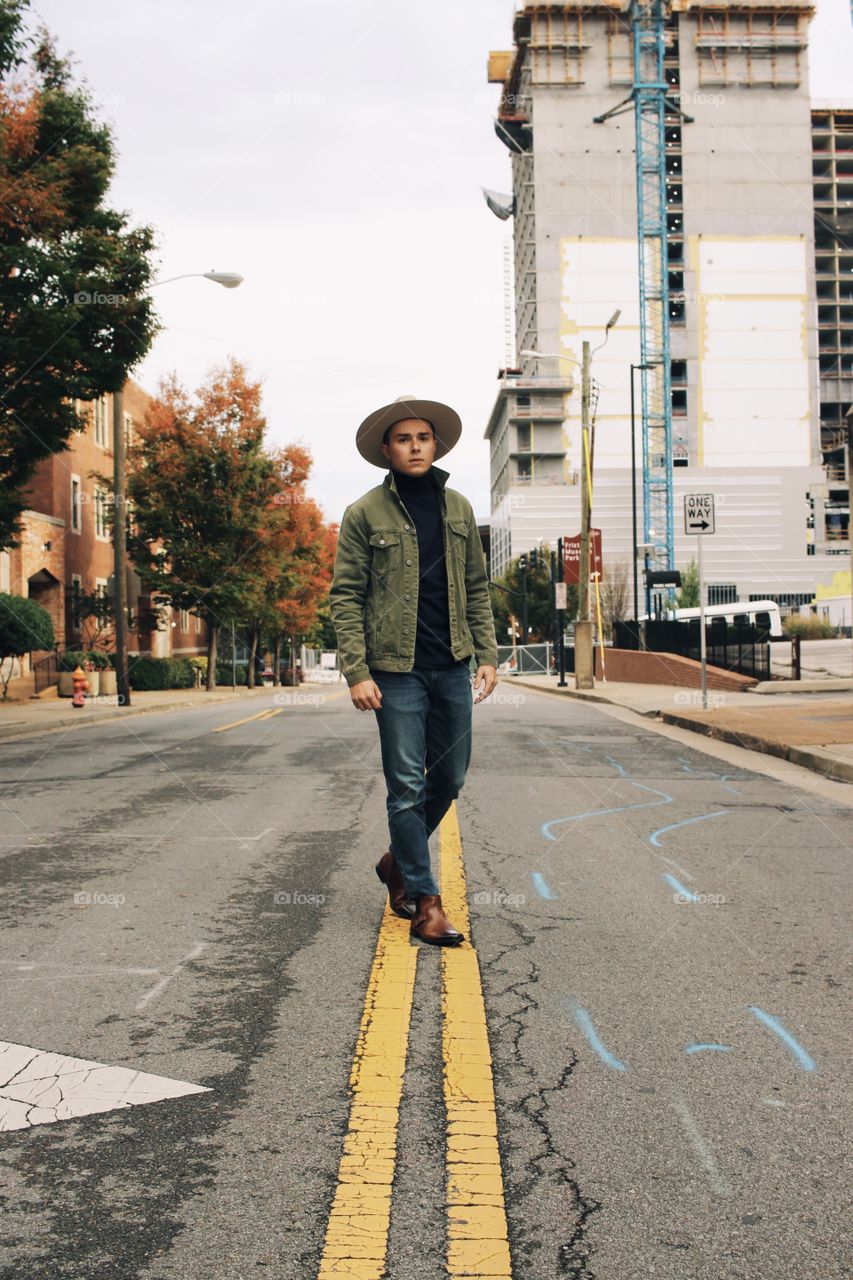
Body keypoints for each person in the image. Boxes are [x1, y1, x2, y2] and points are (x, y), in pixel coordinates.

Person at [328, 394, 498, 947]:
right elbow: (346, 597)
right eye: (403, 439)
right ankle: (427, 904)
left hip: (452, 665)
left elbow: (476, 587)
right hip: (395, 671)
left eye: (423, 437)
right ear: (386, 450)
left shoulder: (459, 510)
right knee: (405, 787)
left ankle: (398, 860)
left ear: (436, 444)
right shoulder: (363, 515)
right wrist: (355, 670)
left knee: (450, 777)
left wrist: (489, 654)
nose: (415, 446)